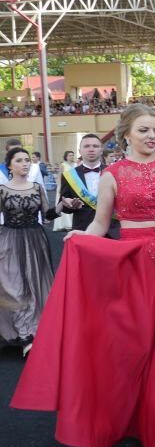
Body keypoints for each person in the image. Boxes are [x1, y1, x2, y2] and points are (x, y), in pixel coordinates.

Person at [12, 104, 155, 447]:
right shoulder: (113, 174)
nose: (152, 136)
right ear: (126, 134)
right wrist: (82, 238)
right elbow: (101, 223)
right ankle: (133, 418)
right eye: (143, 130)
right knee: (135, 343)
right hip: (133, 262)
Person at [0, 148, 62, 357]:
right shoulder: (2, 190)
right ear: (10, 165)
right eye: (19, 161)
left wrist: (62, 206)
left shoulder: (36, 188)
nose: (25, 164)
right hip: (9, 240)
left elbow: (48, 214)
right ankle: (21, 333)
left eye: (27, 160)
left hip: (35, 241)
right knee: (13, 286)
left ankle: (31, 333)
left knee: (35, 286)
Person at [56, 134, 119, 237]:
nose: (91, 149)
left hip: (112, 231)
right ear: (80, 151)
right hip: (82, 230)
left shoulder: (115, 172)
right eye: (86, 146)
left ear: (101, 150)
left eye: (95, 146)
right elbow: (64, 206)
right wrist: (69, 204)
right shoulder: (69, 176)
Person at [52, 150, 77, 232]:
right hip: (64, 187)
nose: (71, 157)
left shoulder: (75, 165)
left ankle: (72, 223)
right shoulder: (63, 165)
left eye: (72, 155)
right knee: (64, 203)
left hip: (74, 187)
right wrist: (59, 187)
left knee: (73, 204)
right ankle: (64, 224)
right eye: (70, 155)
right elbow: (59, 176)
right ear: (66, 156)